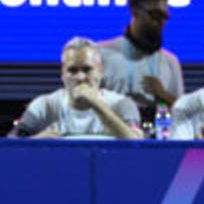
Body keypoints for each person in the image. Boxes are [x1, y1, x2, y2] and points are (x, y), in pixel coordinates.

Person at [14, 37, 142, 139]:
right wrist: (35, 142)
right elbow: (8, 147)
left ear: (100, 72)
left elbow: (137, 145)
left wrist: (97, 104)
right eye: (72, 70)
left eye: (87, 69)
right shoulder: (44, 106)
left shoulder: (121, 104)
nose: (80, 77)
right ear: (62, 74)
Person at [98, 0, 184, 117]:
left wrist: (163, 96)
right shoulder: (102, 54)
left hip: (159, 132)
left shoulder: (170, 61)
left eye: (164, 17)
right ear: (135, 12)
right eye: (155, 15)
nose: (160, 22)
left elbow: (183, 111)